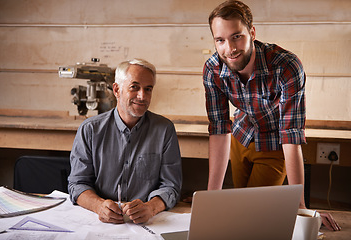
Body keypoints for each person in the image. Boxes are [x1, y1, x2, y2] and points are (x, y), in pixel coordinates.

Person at [203, 0, 307, 207]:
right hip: (240, 137)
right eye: (220, 40)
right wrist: (209, 199)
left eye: (237, 37)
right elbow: (219, 128)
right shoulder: (213, 69)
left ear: (252, 32)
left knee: (253, 208)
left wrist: (301, 206)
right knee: (240, 209)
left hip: (274, 144)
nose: (230, 49)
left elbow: (291, 134)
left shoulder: (285, 66)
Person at [68, 58, 182, 224]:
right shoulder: (90, 130)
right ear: (116, 89)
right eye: (134, 87)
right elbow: (77, 184)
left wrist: (150, 207)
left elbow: (171, 186)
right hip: (99, 223)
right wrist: (98, 206)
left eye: (148, 89)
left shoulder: (164, 130)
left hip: (148, 224)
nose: (142, 96)